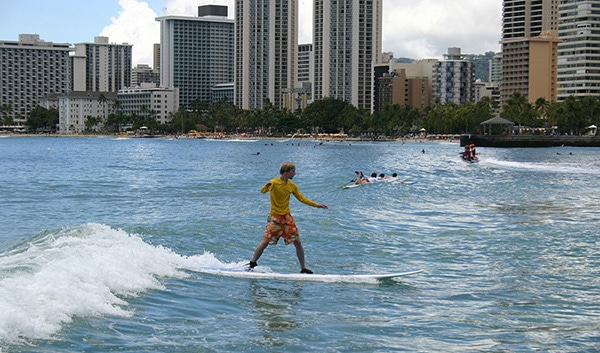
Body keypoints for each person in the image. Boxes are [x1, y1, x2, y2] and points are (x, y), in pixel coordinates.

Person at [249, 162, 328, 274]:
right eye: (293, 171)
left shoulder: (291, 185)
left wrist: (316, 205)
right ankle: (252, 264)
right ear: (286, 171)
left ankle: (303, 268)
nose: (294, 173)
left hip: (287, 218)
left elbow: (301, 198)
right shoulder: (274, 183)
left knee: (298, 242)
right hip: (275, 218)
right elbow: (262, 191)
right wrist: (266, 186)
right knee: (265, 242)